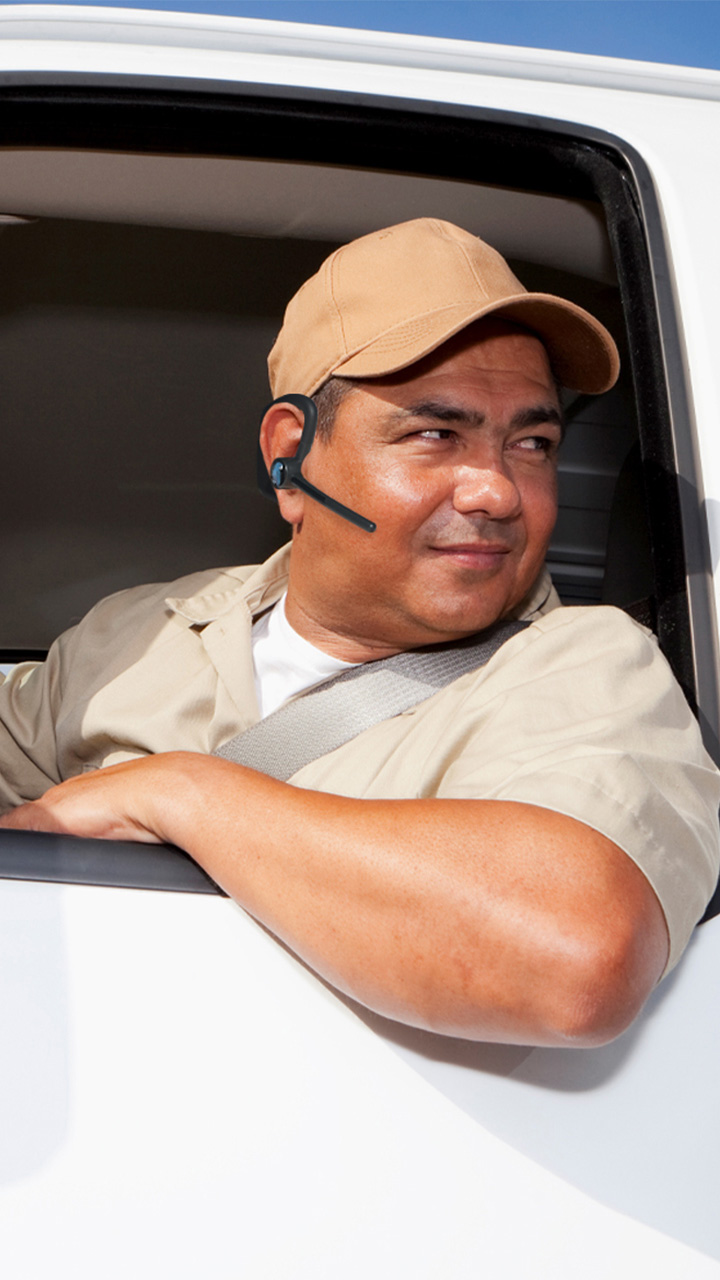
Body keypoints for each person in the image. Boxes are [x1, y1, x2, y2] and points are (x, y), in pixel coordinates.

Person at [0, 218, 718, 1047]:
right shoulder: (138, 632)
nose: (497, 491)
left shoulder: (587, 670)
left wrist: (178, 793)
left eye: (533, 441)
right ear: (291, 456)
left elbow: (571, 957)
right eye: (434, 434)